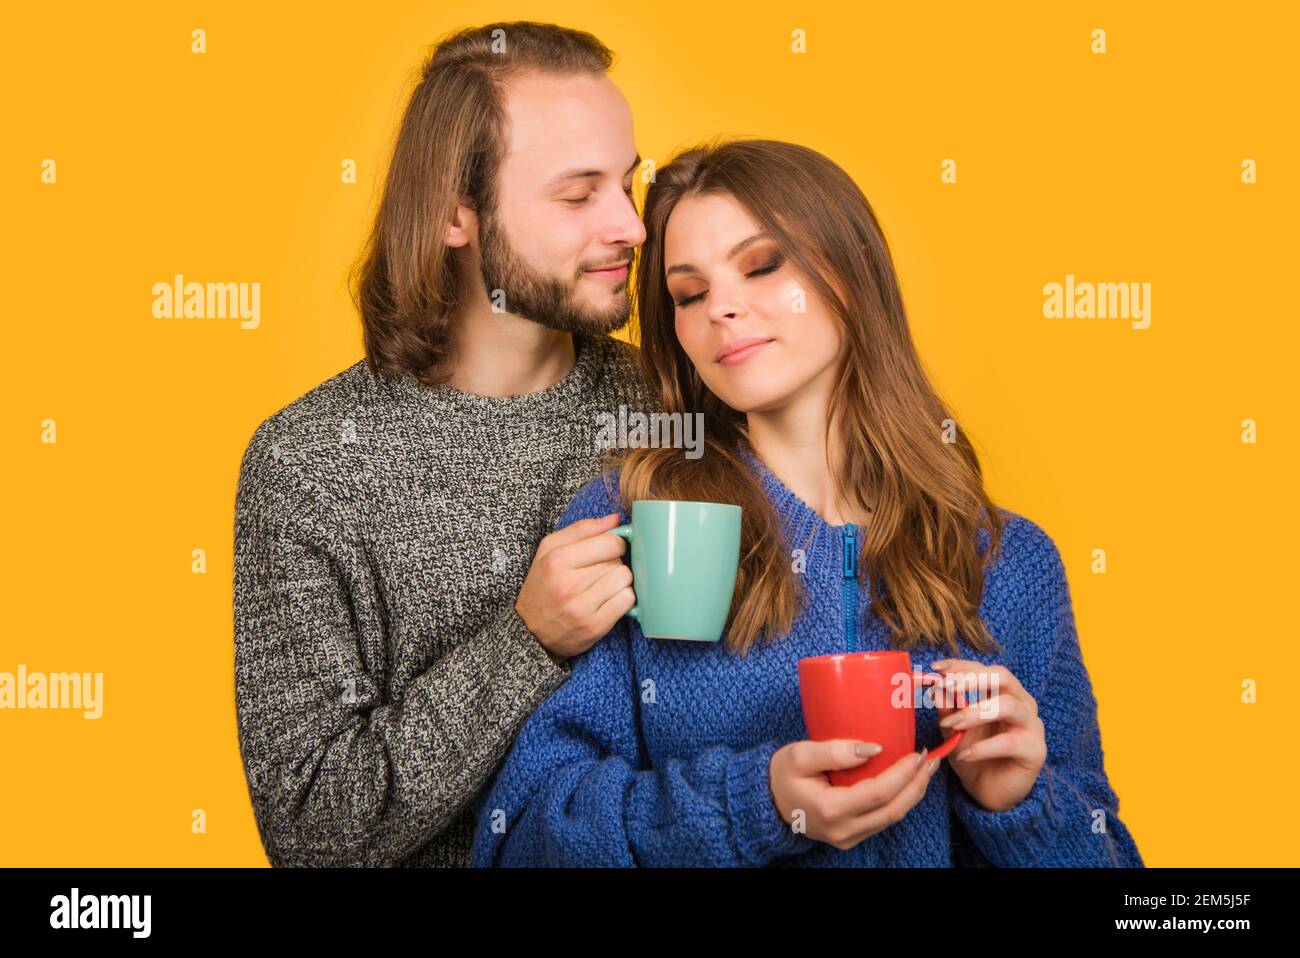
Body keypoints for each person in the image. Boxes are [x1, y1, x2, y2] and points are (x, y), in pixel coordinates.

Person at [471, 138, 1145, 867]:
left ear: (850, 272)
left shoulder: (1012, 560)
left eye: (762, 266)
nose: (722, 308)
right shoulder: (636, 525)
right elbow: (524, 837)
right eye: (689, 294)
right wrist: (753, 803)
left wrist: (1018, 804)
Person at [233, 21, 657, 867]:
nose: (632, 227)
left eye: (629, 184)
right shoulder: (309, 463)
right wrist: (524, 640)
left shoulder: (677, 407)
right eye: (579, 197)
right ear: (455, 212)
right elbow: (311, 833)